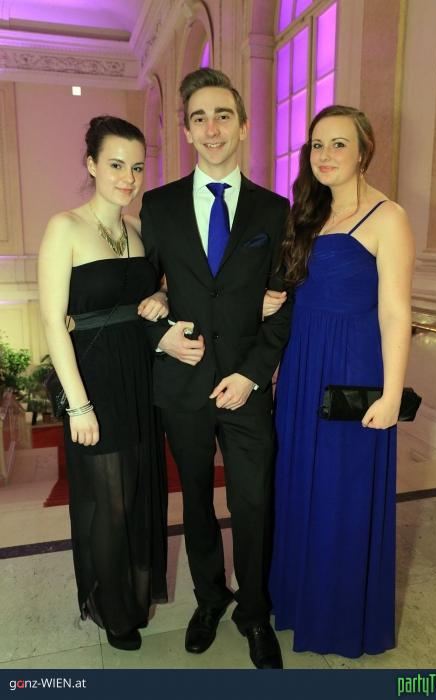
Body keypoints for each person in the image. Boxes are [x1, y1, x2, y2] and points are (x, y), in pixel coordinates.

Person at [140, 68, 291, 669]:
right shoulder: (159, 206)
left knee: (253, 503)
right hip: (183, 384)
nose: (211, 128)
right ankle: (210, 598)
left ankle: (254, 612)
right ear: (186, 130)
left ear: (243, 125)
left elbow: (286, 303)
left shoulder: (274, 211)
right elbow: (138, 291)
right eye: (198, 118)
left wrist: (252, 374)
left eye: (223, 115)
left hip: (246, 387)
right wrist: (159, 333)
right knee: (197, 501)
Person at [269, 105, 415, 658]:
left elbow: (395, 312)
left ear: (363, 151)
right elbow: (296, 294)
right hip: (301, 370)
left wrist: (393, 393)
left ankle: (338, 618)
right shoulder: (307, 215)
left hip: (352, 370)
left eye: (337, 144)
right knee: (300, 486)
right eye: (316, 145)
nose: (324, 155)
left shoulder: (388, 217)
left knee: (342, 494)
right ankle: (300, 602)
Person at [38, 115, 169, 651]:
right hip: (93, 380)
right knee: (108, 502)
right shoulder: (64, 227)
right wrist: (78, 405)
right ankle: (112, 608)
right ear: (91, 164)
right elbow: (53, 322)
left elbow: (155, 291)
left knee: (138, 495)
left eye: (136, 167)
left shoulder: (137, 230)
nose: (128, 178)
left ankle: (135, 596)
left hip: (139, 377)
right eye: (116, 164)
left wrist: (160, 296)